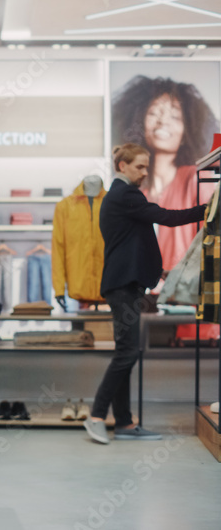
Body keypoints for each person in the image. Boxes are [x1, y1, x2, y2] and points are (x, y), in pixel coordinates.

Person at [83, 143, 206, 444]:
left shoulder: (118, 198)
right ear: (122, 166)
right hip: (123, 286)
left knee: (127, 353)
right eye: (139, 166)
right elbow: (168, 218)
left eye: (146, 166)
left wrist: (158, 270)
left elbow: (132, 243)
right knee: (126, 353)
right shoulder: (126, 195)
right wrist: (209, 209)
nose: (144, 172)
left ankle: (124, 423)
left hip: (125, 284)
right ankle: (97, 415)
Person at [111, 75, 218, 271]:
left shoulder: (196, 180)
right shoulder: (132, 193)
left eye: (175, 116)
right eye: (154, 113)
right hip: (145, 286)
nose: (163, 122)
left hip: (184, 287)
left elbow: (210, 233)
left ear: (187, 130)